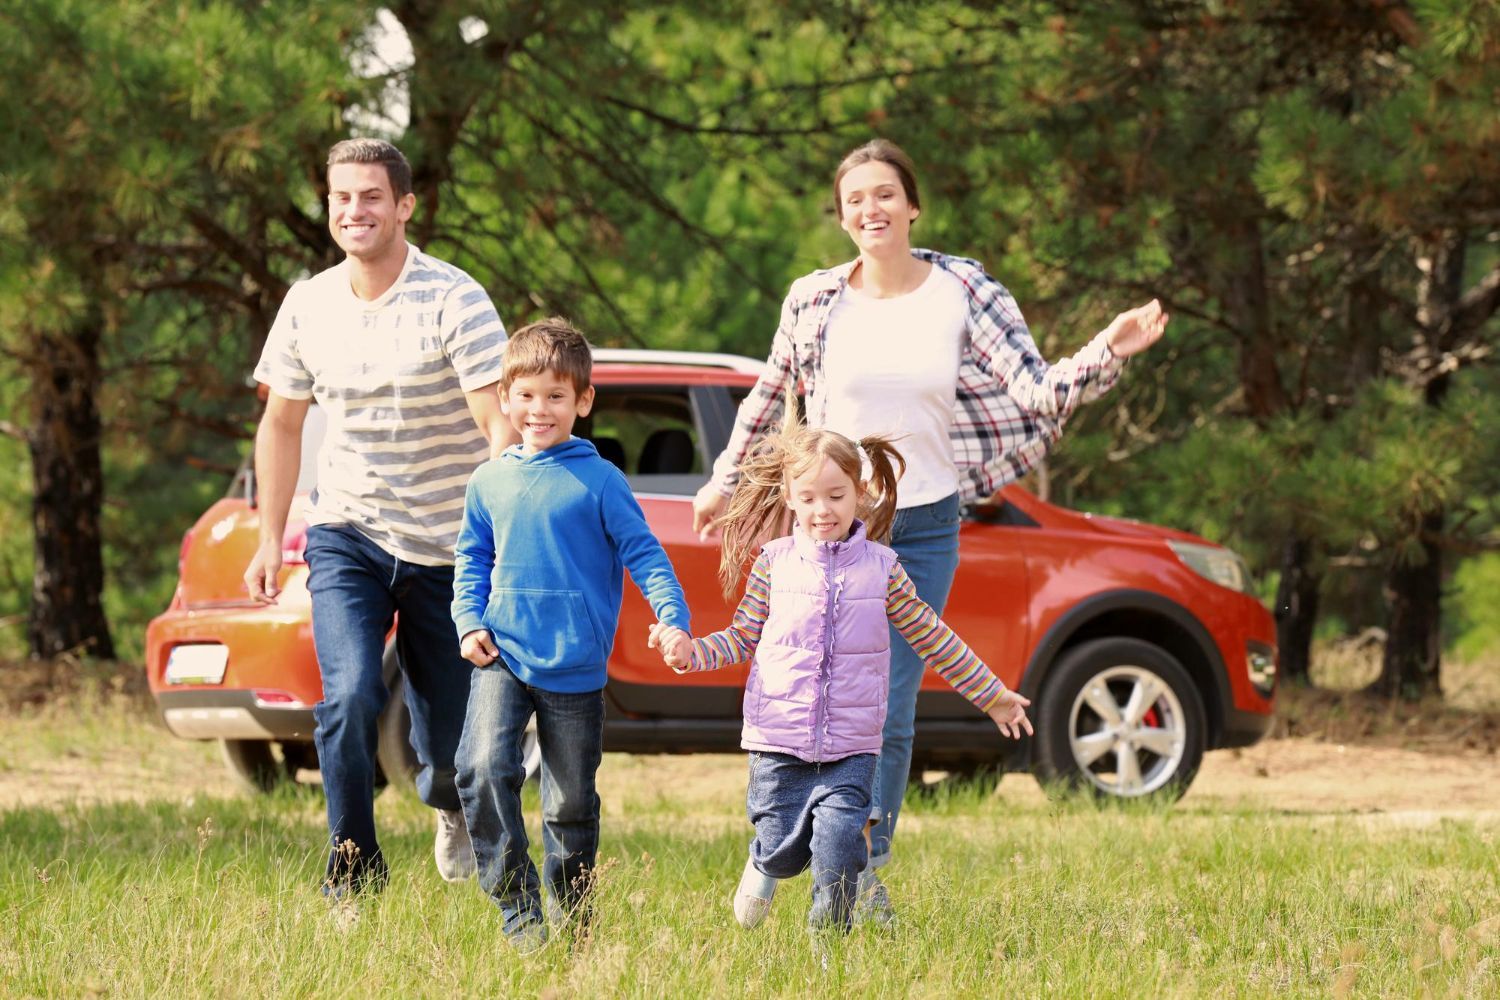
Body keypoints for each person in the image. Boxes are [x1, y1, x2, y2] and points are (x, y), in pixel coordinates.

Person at [690, 138, 1167, 921]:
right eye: (854, 201)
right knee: (803, 689)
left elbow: (1036, 390)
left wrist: (1105, 352)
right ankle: (778, 845)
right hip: (830, 528)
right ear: (841, 217)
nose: (870, 210)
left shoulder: (963, 292)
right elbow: (769, 394)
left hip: (923, 524)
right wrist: (723, 482)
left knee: (891, 705)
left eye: (885, 195)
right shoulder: (814, 299)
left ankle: (860, 868)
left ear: (913, 205)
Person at [245, 138, 515, 900]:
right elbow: (282, 425)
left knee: (446, 745)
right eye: (340, 198)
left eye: (369, 197)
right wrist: (272, 537)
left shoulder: (454, 297)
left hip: (448, 546)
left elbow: (497, 423)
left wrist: (502, 532)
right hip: (347, 535)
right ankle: (351, 865)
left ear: (404, 205)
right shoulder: (308, 304)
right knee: (351, 695)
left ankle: (449, 805)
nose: (353, 211)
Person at [652, 413, 1032, 932]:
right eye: (807, 497)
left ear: (861, 493)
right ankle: (765, 861)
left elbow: (932, 635)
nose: (821, 509)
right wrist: (691, 652)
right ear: (788, 497)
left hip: (853, 744)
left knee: (839, 845)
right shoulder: (773, 563)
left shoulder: (883, 568)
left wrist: (992, 695)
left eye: (835, 495)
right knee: (783, 847)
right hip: (777, 738)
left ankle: (825, 947)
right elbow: (742, 637)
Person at [451, 318, 691, 948]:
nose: (539, 409)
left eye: (556, 396)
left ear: (583, 402)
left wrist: (672, 617)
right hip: (501, 650)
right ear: (504, 398)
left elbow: (646, 555)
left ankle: (574, 919)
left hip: (576, 664)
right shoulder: (488, 481)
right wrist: (469, 620)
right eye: (526, 395)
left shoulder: (602, 480)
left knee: (568, 805)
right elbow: (472, 558)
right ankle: (517, 905)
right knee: (478, 770)